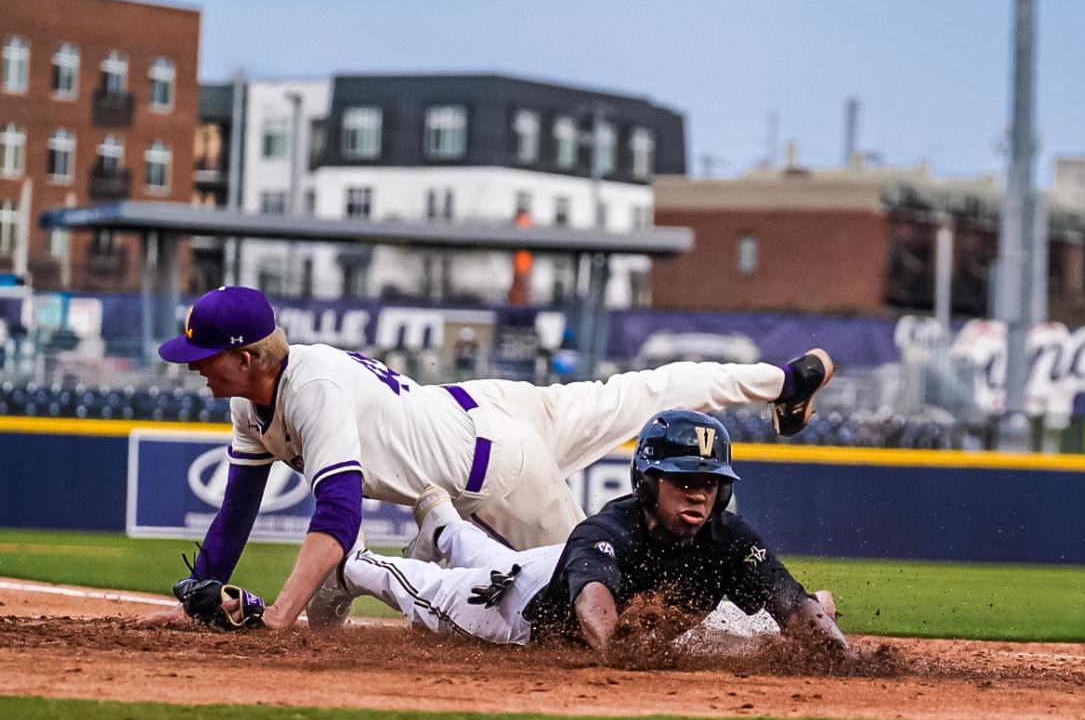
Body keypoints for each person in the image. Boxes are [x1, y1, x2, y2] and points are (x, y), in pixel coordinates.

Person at [154, 286, 835, 631]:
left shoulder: (313, 389)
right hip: (485, 406)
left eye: (202, 359)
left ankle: (766, 622)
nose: (194, 370)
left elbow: (336, 514)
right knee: (643, 391)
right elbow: (238, 505)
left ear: (245, 359)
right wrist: (199, 588)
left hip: (500, 476)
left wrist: (279, 619)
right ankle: (780, 381)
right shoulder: (250, 400)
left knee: (602, 593)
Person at [303, 410, 849, 659]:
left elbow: (794, 606)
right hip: (516, 610)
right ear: (649, 482)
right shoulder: (609, 528)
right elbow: (593, 605)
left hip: (546, 563)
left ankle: (444, 521)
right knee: (423, 590)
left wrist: (842, 655)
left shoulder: (729, 539)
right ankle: (354, 565)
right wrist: (623, 653)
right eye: (684, 481)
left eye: (710, 483)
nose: (698, 495)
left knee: (486, 552)